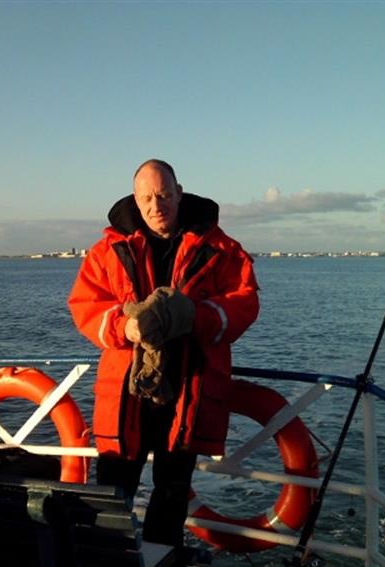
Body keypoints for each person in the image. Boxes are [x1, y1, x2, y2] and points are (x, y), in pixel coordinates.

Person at [68, 159, 259, 547]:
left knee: (172, 492)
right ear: (136, 200)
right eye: (147, 198)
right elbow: (84, 306)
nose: (157, 205)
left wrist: (196, 317)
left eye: (164, 195)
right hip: (126, 394)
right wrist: (125, 327)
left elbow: (244, 302)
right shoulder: (107, 251)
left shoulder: (221, 249)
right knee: (112, 489)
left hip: (187, 393)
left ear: (179, 193)